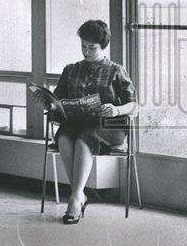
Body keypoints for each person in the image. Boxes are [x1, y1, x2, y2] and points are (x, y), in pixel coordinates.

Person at [41, 19, 137, 224]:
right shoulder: (71, 70)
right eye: (83, 47)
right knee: (65, 137)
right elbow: (58, 101)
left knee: (83, 138)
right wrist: (51, 105)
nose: (85, 52)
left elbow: (134, 105)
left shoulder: (116, 70)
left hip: (109, 126)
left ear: (103, 47)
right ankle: (80, 195)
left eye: (91, 48)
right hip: (77, 123)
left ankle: (75, 198)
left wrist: (116, 109)